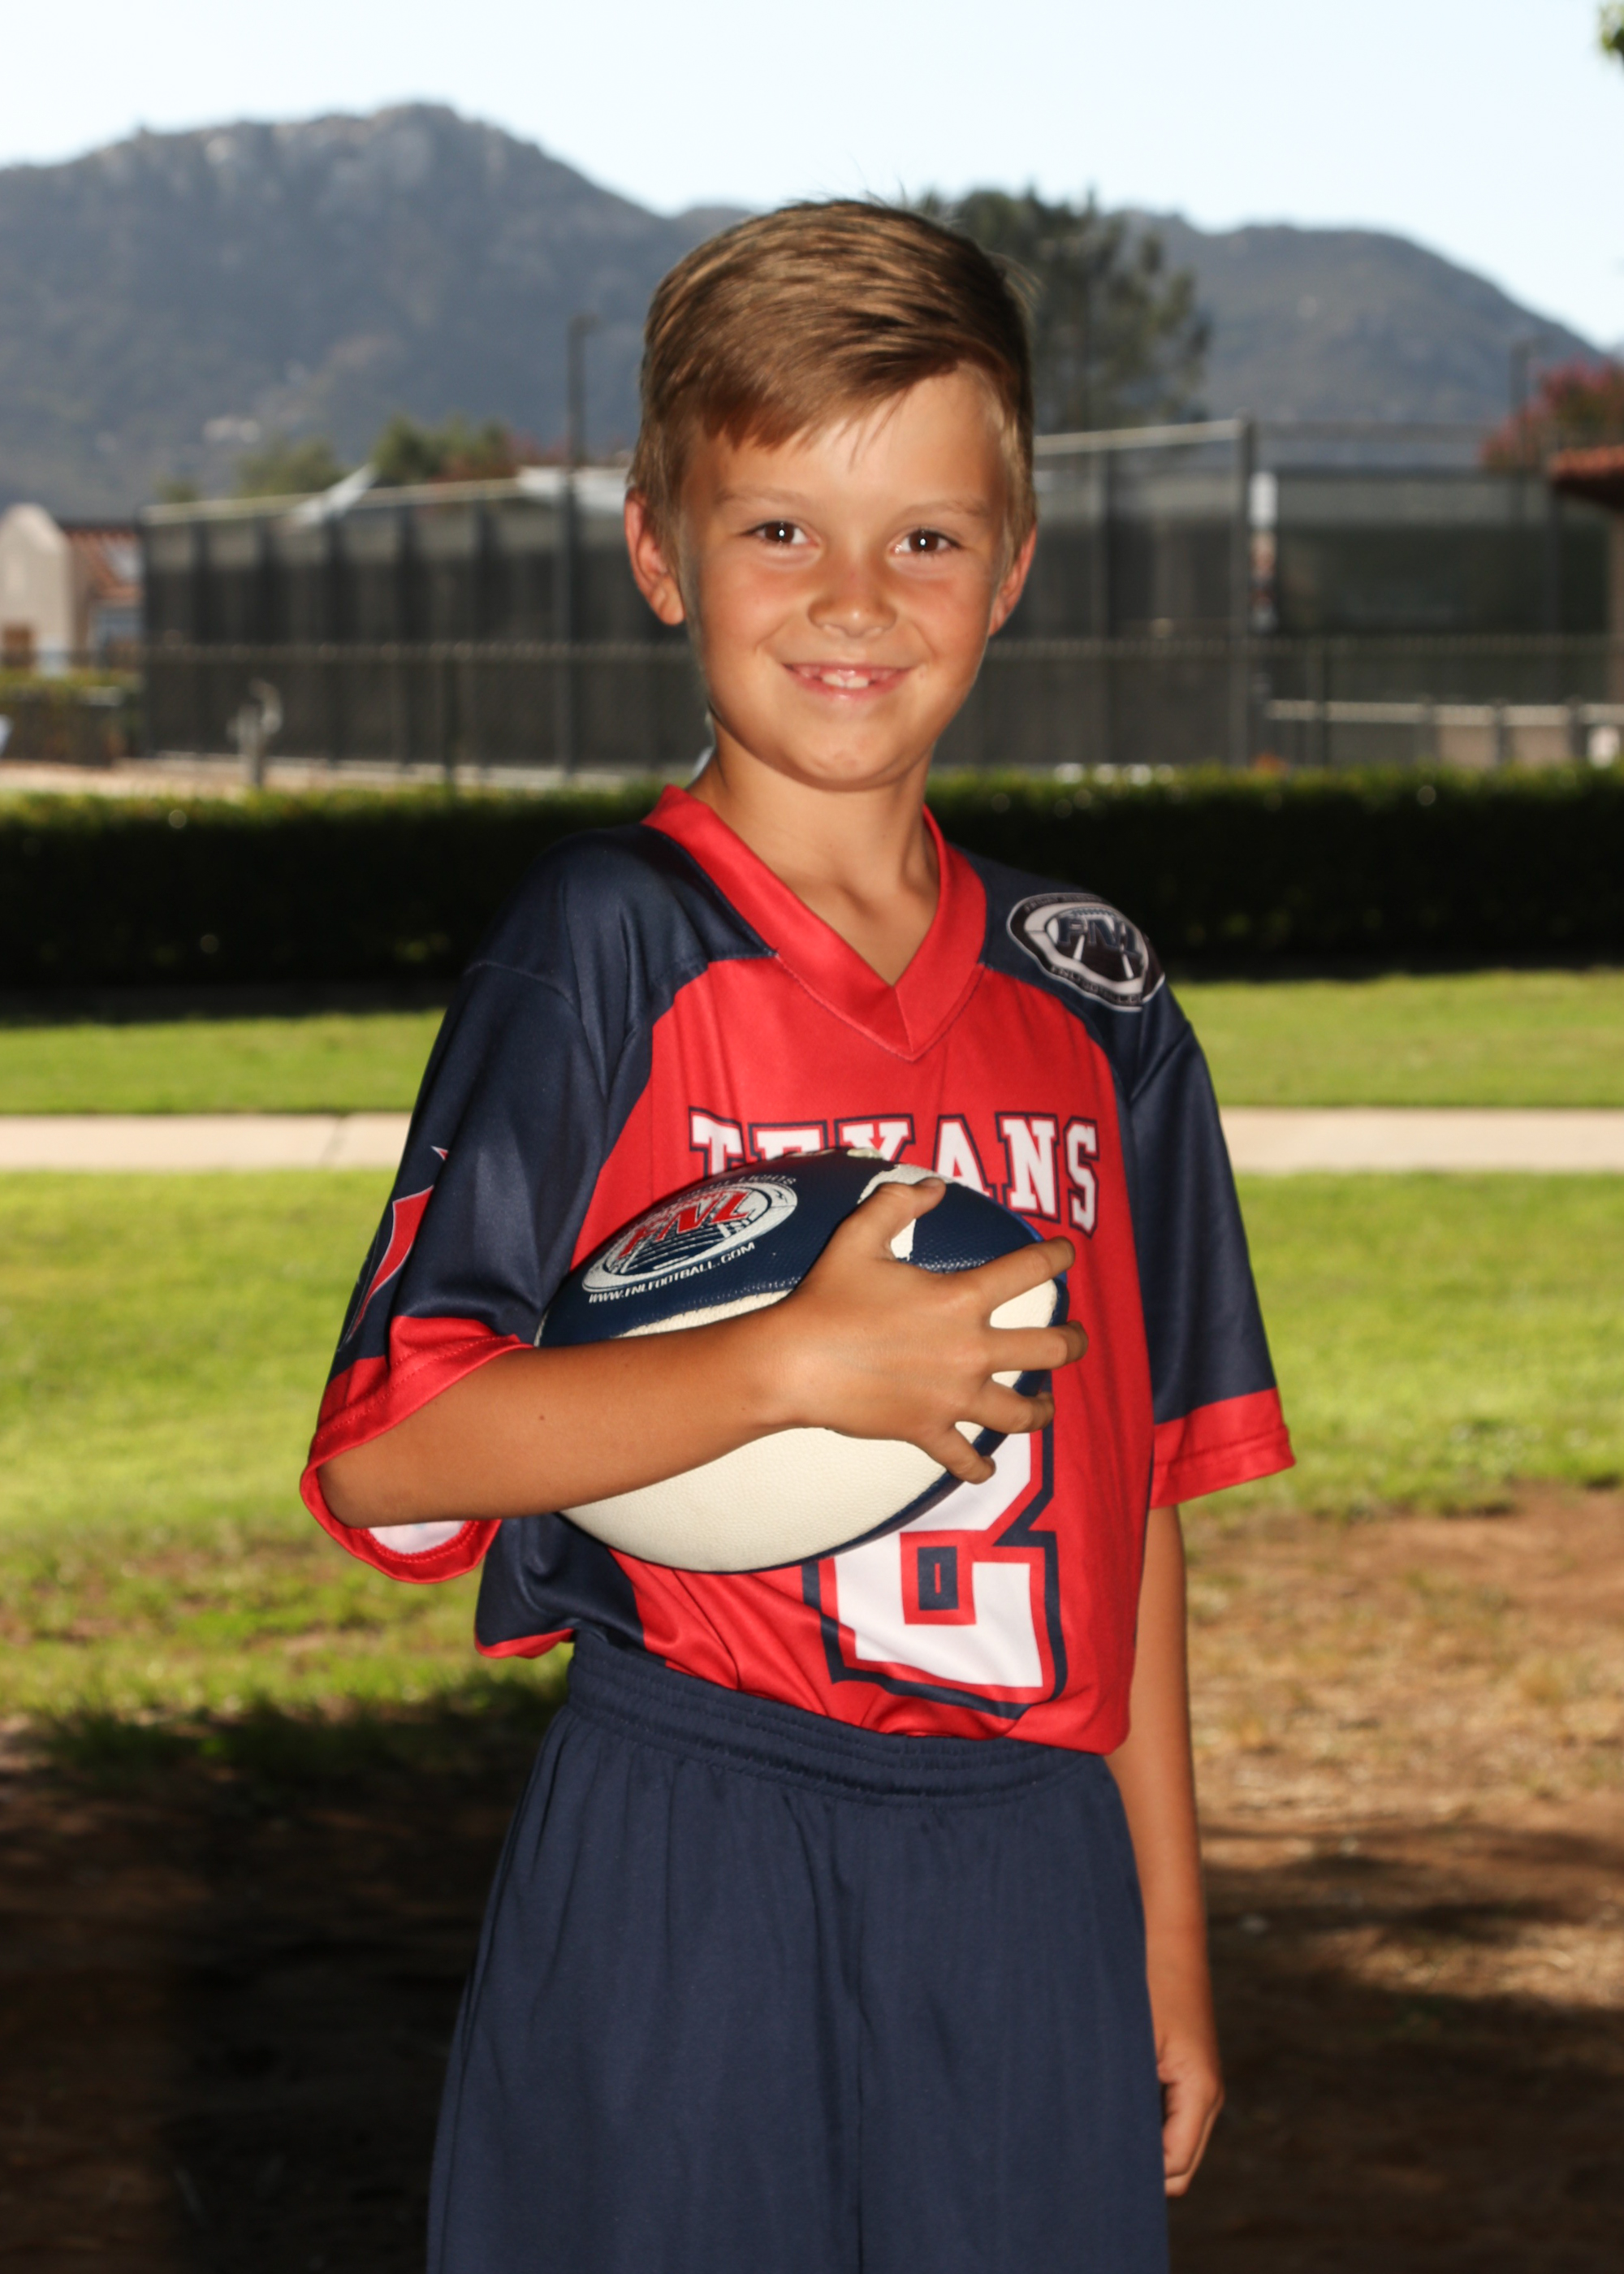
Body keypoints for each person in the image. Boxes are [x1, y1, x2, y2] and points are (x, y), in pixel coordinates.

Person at [301, 200, 1294, 2274]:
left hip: (1027, 1862)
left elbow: (1127, 1509)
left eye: (924, 535)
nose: (853, 597)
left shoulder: (1094, 996)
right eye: (778, 529)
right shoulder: (606, 941)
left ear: (1010, 567)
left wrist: (1165, 1934)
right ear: (659, 547)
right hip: (693, 1826)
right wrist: (782, 1368)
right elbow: (394, 1451)